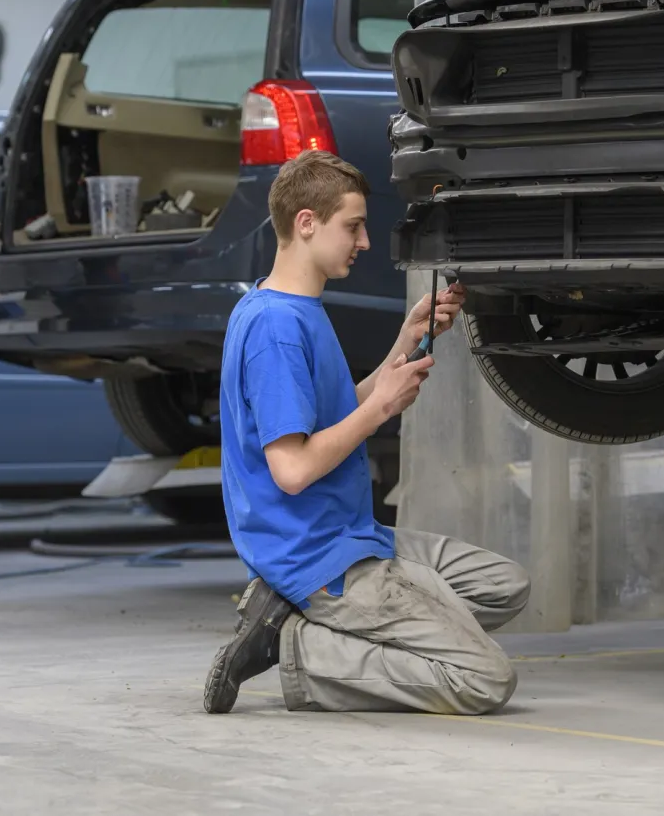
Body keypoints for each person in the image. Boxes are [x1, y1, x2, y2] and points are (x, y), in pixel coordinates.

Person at [204, 149, 530, 715]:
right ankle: (294, 645)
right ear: (306, 223)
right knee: (485, 679)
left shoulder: (292, 307)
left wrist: (404, 345)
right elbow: (293, 468)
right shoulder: (277, 328)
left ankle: (321, 621)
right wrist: (380, 408)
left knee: (503, 584)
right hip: (317, 556)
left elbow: (326, 416)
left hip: (351, 534)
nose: (365, 242)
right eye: (352, 227)